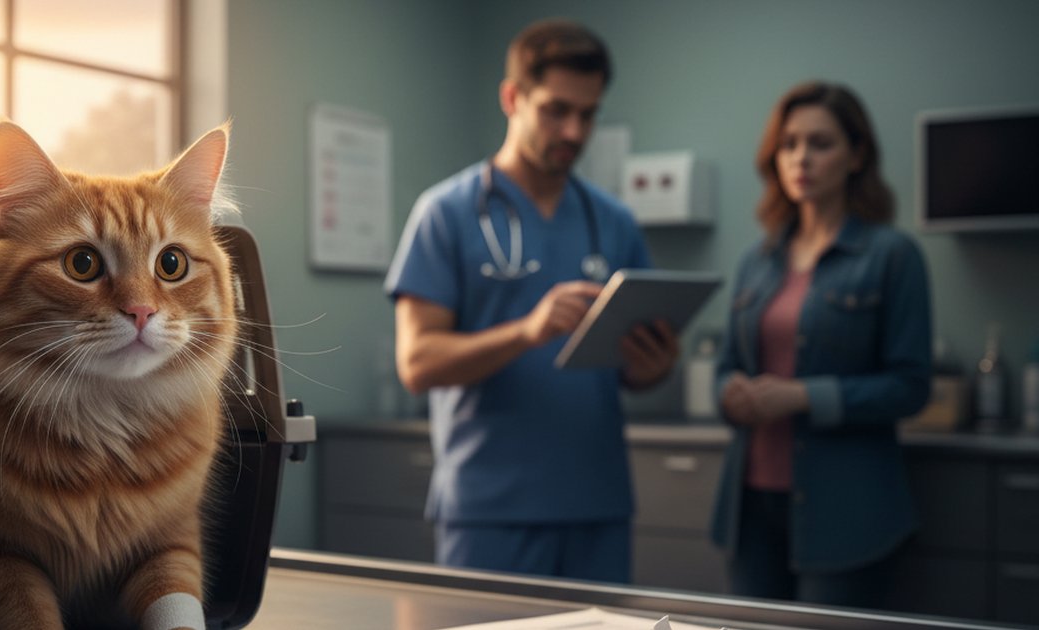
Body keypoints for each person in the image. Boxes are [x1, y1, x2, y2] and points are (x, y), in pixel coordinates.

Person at [383, 19, 679, 583]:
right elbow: (417, 364)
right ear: (512, 98)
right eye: (555, 110)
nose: (573, 130)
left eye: (587, 115)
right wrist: (528, 330)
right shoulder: (445, 213)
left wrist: (655, 366)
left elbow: (639, 373)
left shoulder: (613, 223)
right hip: (490, 510)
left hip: (597, 505)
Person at [709, 81, 932, 608]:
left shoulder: (892, 256)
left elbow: (909, 387)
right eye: (788, 144)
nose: (801, 158)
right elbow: (727, 367)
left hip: (846, 513)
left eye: (820, 143)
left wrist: (803, 396)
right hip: (751, 506)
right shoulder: (756, 260)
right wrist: (731, 394)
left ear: (856, 155)